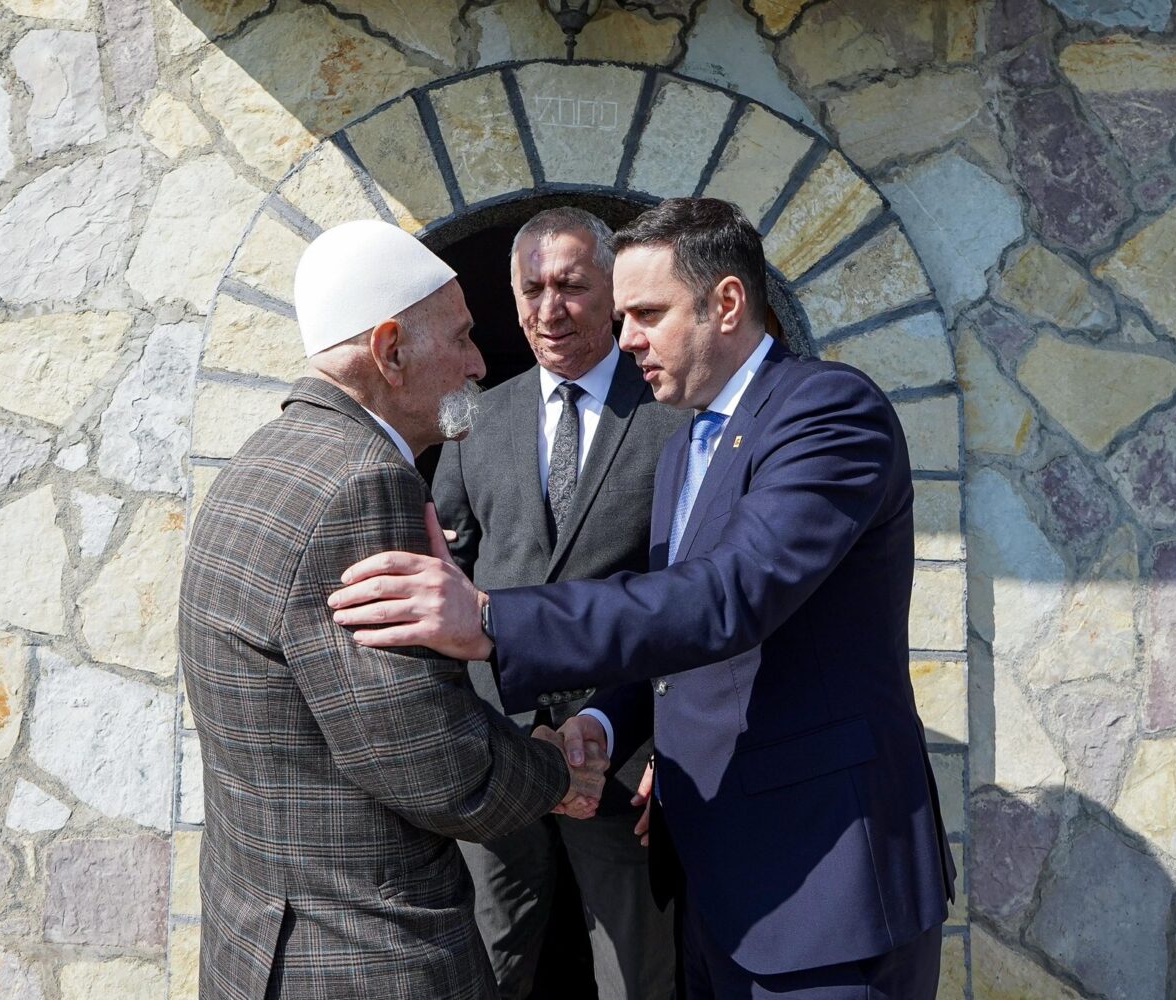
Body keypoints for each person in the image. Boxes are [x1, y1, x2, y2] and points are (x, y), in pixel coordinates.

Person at [327, 199, 957, 999]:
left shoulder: (827, 413)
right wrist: (603, 722)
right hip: (712, 872)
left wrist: (489, 620)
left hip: (823, 881)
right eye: (623, 316)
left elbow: (725, 598)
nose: (625, 339)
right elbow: (679, 638)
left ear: (726, 303)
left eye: (647, 314)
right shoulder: (688, 440)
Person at [178, 218, 607, 1000]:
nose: (480, 363)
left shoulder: (265, 458)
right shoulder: (362, 484)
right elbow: (431, 765)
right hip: (360, 956)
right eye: (462, 336)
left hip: (263, 944)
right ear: (389, 350)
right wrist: (556, 772)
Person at [432, 207, 685, 1000]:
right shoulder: (475, 417)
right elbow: (449, 572)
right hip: (497, 753)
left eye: (571, 286)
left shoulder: (673, 415)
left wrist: (664, 741)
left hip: (625, 759)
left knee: (635, 978)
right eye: (532, 289)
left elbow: (698, 596)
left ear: (612, 290)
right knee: (487, 967)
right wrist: (480, 731)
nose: (550, 309)